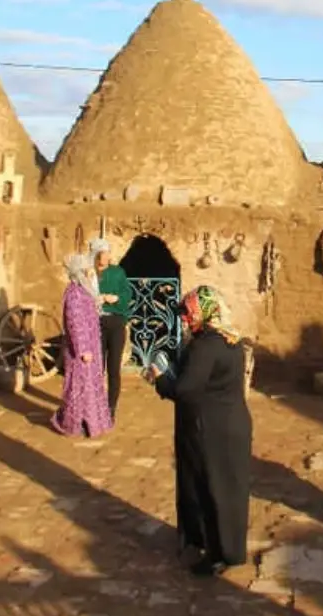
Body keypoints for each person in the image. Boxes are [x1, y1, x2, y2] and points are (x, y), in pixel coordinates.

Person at [145, 285, 252, 577]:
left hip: (210, 428)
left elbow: (186, 389)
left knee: (211, 488)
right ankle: (228, 546)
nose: (185, 319)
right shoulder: (231, 340)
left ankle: (218, 554)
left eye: (189, 313)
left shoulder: (206, 346)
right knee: (229, 489)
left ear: (205, 312)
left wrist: (159, 378)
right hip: (232, 423)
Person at [51, 253, 115, 438]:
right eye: (87, 271)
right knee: (79, 389)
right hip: (81, 352)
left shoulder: (83, 290)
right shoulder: (73, 294)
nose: (90, 273)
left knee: (90, 387)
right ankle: (73, 423)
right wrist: (83, 350)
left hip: (91, 347)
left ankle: (90, 423)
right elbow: (75, 324)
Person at [89, 238, 134, 419]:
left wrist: (116, 298)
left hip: (115, 322)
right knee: (96, 368)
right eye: (104, 253)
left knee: (113, 368)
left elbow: (127, 293)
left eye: (108, 253)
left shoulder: (117, 272)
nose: (107, 257)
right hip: (95, 324)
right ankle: (96, 405)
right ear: (96, 254)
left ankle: (111, 407)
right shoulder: (89, 274)